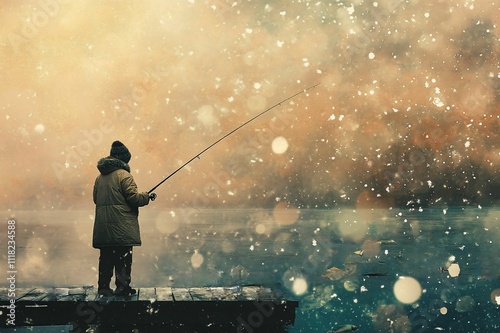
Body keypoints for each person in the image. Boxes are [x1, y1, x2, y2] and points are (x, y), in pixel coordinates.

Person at [92, 140, 156, 296]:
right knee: (123, 258)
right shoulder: (124, 176)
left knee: (106, 259)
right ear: (124, 159)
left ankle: (104, 288)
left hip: (104, 227)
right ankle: (122, 288)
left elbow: (96, 199)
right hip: (122, 226)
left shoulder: (99, 178)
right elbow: (134, 199)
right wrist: (147, 196)